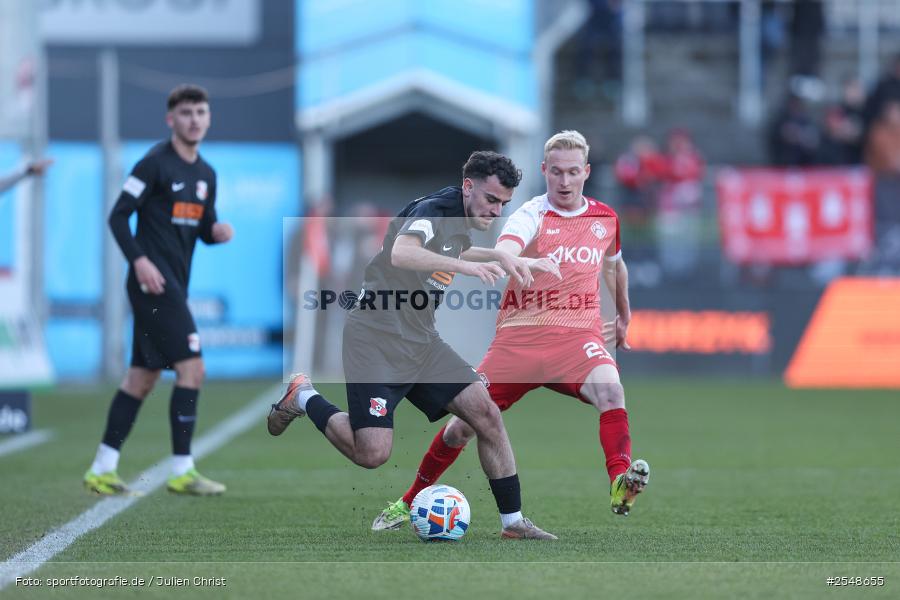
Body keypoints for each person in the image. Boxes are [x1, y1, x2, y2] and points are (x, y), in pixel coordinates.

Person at [268, 151, 557, 539]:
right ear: (468, 186)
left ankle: (514, 523)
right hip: (376, 338)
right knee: (372, 453)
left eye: (503, 203)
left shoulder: (460, 218)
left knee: (486, 413)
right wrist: (468, 268)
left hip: (421, 341)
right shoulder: (435, 210)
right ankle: (303, 396)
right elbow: (402, 253)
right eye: (491, 199)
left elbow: (452, 249)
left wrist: (500, 257)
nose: (496, 210)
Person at [372, 131, 649, 532]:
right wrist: (514, 260)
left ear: (587, 172)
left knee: (611, 391)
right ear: (544, 170)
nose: (565, 181)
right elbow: (506, 249)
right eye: (557, 172)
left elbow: (614, 265)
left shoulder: (605, 218)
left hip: (577, 338)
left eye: (573, 172)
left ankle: (620, 482)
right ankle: (408, 500)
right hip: (520, 340)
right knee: (463, 425)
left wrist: (623, 314)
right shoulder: (529, 215)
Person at [83, 84, 234, 496]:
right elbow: (118, 217)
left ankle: (101, 469)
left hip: (174, 284)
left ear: (208, 118)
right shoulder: (152, 164)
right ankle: (183, 470)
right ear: (171, 119)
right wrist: (139, 260)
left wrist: (216, 233)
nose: (194, 120)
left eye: (200, 113)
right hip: (152, 283)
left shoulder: (206, 175)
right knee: (193, 368)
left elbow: (204, 227)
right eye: (186, 113)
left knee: (142, 378)